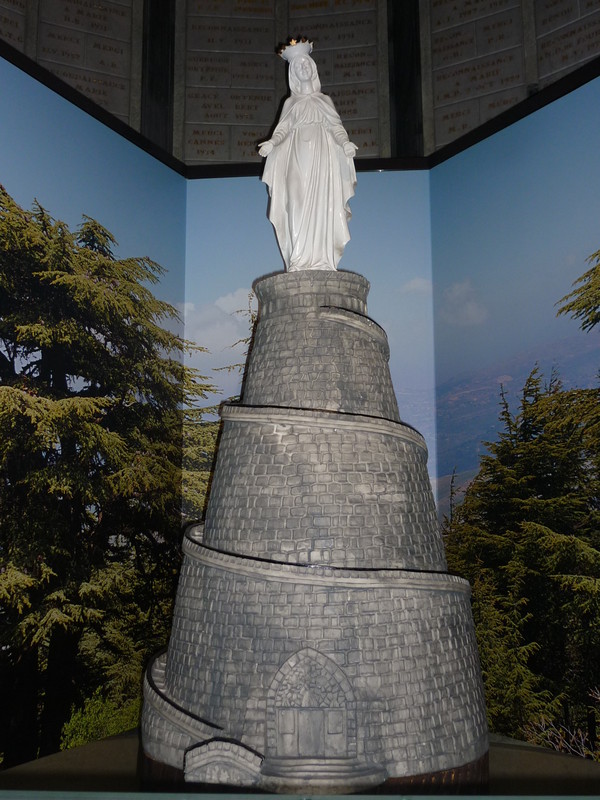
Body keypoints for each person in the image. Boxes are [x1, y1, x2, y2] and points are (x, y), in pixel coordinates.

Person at [259, 39, 357, 271]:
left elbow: (336, 127)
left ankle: (321, 258)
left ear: (312, 68)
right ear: (293, 73)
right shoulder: (290, 103)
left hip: (321, 159)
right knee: (295, 202)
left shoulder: (324, 101)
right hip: (296, 157)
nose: (303, 68)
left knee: (323, 204)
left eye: (306, 64)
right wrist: (271, 143)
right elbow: (282, 129)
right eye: (298, 66)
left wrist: (346, 144)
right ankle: (298, 258)